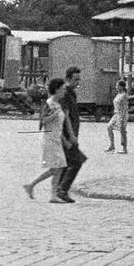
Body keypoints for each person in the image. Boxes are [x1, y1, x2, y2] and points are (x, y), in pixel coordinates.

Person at [23, 79, 69, 202]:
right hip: (49, 139)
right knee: (56, 168)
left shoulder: (58, 104)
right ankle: (32, 185)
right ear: (57, 89)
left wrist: (64, 141)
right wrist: (53, 116)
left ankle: (51, 194)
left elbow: (59, 126)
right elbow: (43, 121)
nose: (64, 91)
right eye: (63, 89)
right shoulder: (49, 104)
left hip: (56, 139)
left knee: (59, 167)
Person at [54, 66, 87, 202]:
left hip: (71, 133)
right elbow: (65, 116)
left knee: (68, 162)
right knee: (77, 161)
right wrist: (71, 135)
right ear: (68, 79)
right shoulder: (65, 94)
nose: (78, 82)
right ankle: (62, 190)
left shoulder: (72, 93)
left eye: (79, 79)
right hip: (66, 135)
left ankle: (59, 189)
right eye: (75, 79)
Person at [106, 79, 130, 153]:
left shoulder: (124, 95)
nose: (116, 87)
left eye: (117, 85)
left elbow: (125, 107)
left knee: (122, 131)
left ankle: (124, 148)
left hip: (122, 114)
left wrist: (122, 117)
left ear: (121, 87)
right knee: (109, 127)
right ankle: (112, 145)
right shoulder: (118, 94)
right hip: (116, 114)